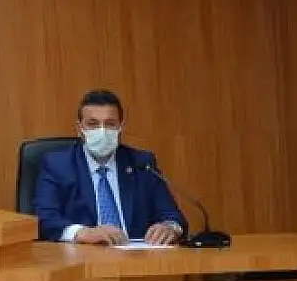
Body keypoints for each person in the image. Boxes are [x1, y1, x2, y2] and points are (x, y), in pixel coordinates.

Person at [34, 90, 186, 245]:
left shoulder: (142, 164)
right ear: (79, 129)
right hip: (83, 255)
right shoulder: (58, 165)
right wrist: (82, 233)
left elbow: (172, 216)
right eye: (93, 124)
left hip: (136, 255)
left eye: (110, 124)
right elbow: (44, 218)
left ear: (121, 127)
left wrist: (170, 227)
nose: (102, 131)